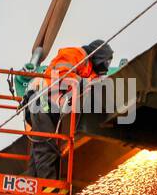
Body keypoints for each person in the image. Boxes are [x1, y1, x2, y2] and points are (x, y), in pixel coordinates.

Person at [24, 40, 113, 179]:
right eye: (105, 62)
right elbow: (61, 75)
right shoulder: (75, 54)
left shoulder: (90, 70)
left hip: (51, 109)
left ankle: (30, 186)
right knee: (46, 148)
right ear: (98, 57)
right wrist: (85, 83)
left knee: (39, 149)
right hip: (42, 104)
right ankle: (49, 189)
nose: (106, 67)